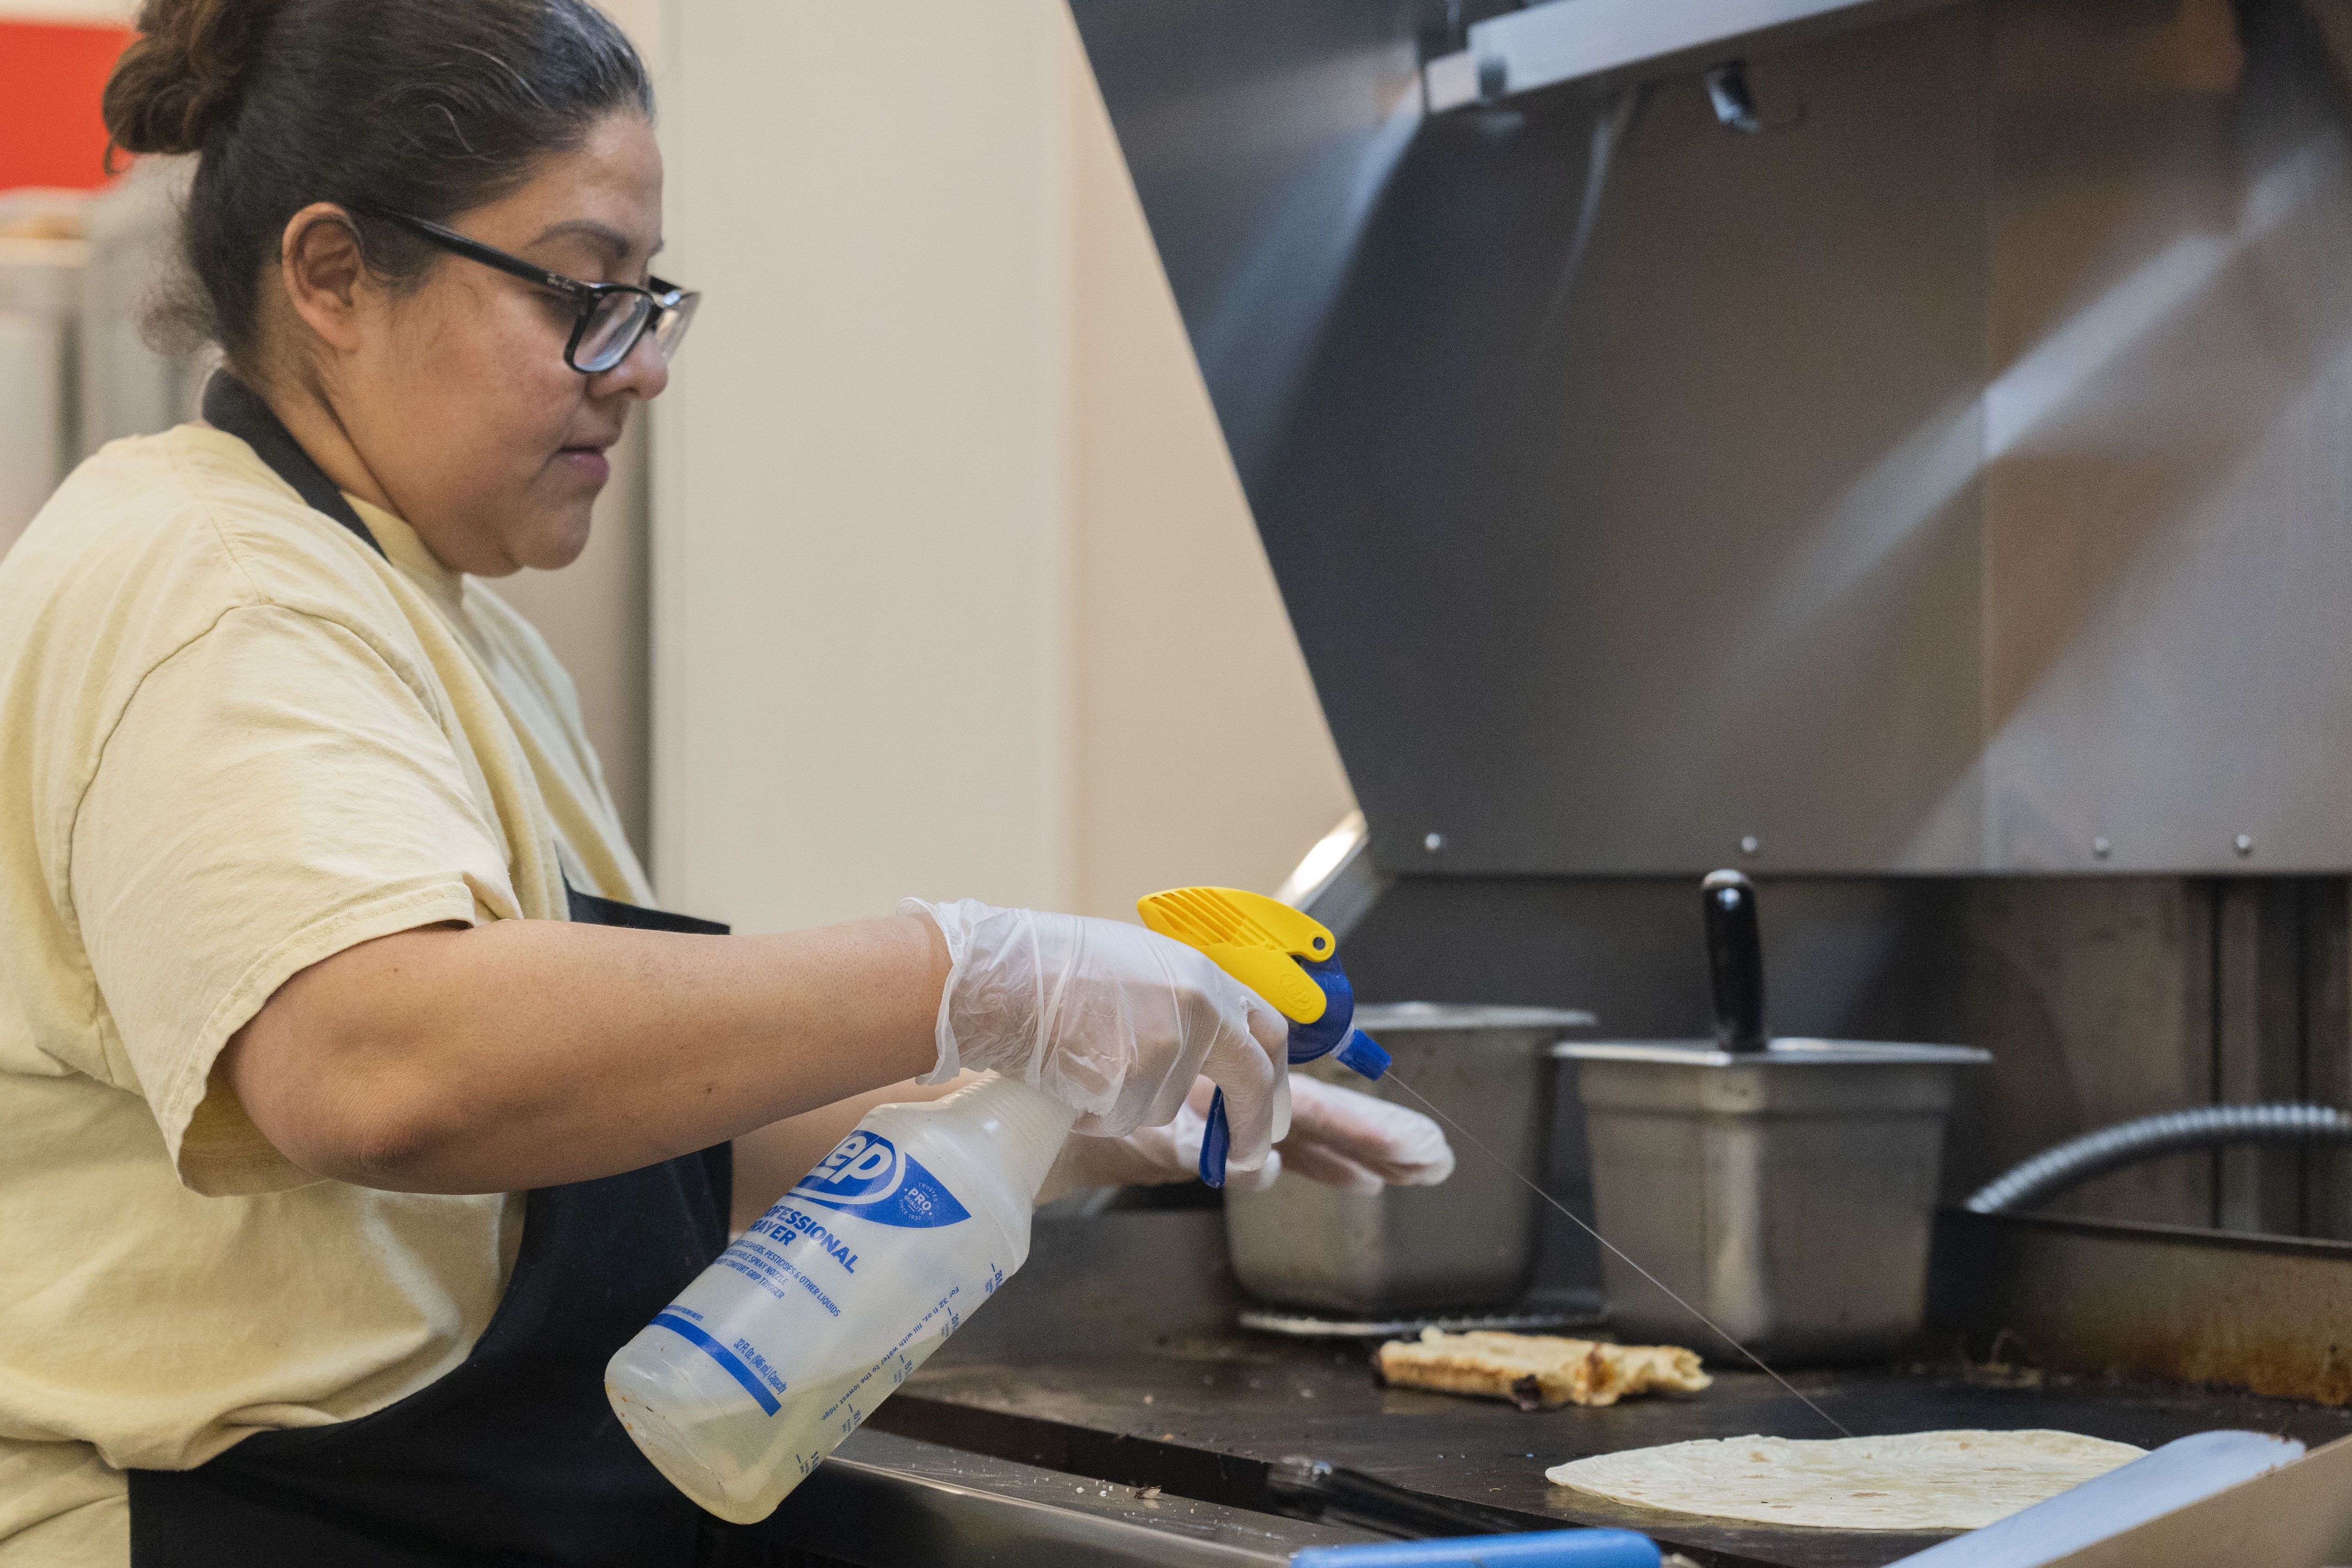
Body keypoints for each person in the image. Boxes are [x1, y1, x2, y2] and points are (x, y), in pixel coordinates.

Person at [0, 1, 1456, 1564]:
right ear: (335, 276)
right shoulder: (212, 586)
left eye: (649, 300)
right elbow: (376, 1067)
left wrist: (1054, 1113)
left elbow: (614, 1141)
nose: (639, 369)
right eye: (582, 292)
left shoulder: (452, 629)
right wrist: (968, 973)